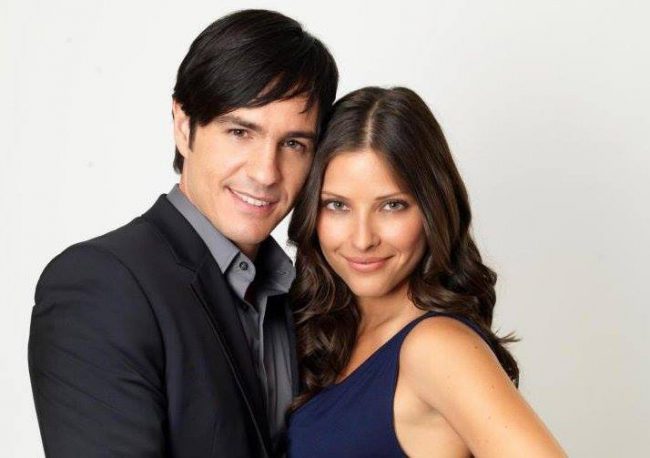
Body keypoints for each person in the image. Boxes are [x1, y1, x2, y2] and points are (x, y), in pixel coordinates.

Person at [28, 9, 338, 458]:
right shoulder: (100, 285)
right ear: (183, 124)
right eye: (240, 132)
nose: (266, 172)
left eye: (293, 144)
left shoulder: (303, 296)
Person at [286, 87, 566, 457]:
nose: (362, 239)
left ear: (432, 208)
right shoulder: (322, 332)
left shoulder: (437, 348)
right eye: (337, 205)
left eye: (392, 206)